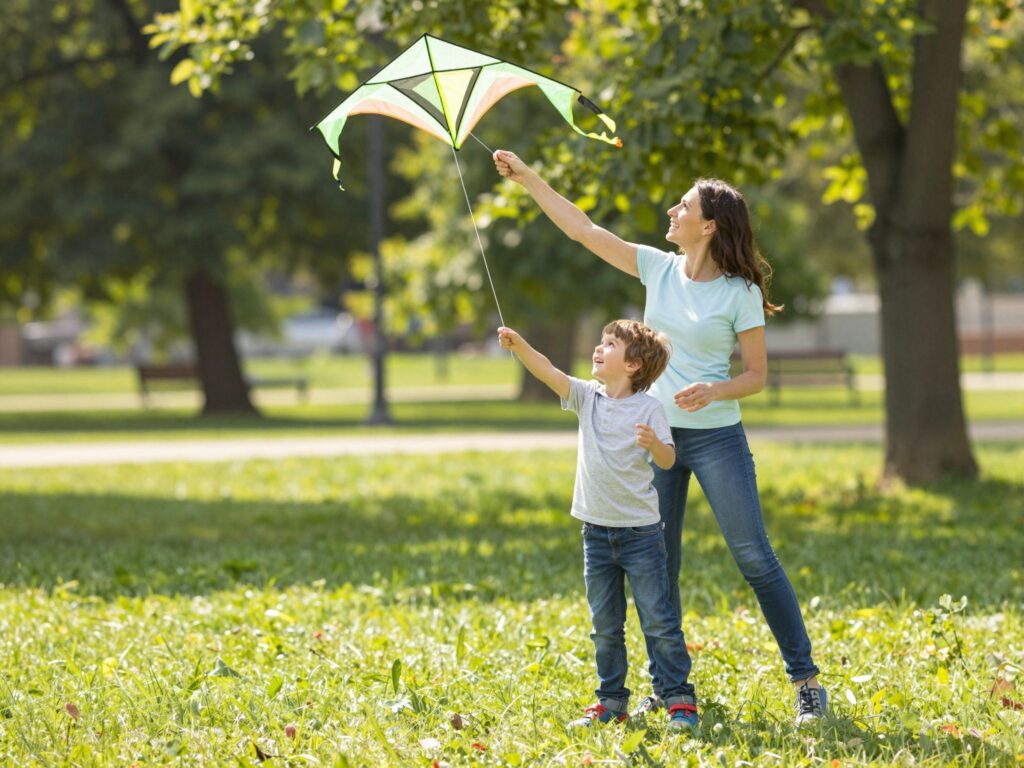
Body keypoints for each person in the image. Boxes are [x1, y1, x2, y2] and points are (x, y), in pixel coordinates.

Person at [494, 150, 827, 727]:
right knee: (658, 568)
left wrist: (714, 392)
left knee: (754, 557)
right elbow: (583, 229)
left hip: (716, 439)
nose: (672, 211)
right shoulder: (658, 268)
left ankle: (806, 681)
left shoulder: (740, 292)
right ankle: (669, 689)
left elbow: (756, 375)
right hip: (655, 442)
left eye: (685, 206)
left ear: (709, 225)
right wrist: (529, 179)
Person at [497, 319, 699, 732]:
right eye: (601, 341)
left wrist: (654, 444)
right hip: (596, 534)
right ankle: (611, 702)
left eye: (611, 344)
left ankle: (679, 699)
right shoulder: (587, 398)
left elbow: (668, 461)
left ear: (633, 365)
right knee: (605, 626)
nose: (599, 348)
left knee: (658, 621)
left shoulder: (649, 409)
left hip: (641, 535)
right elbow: (549, 371)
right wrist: (519, 346)